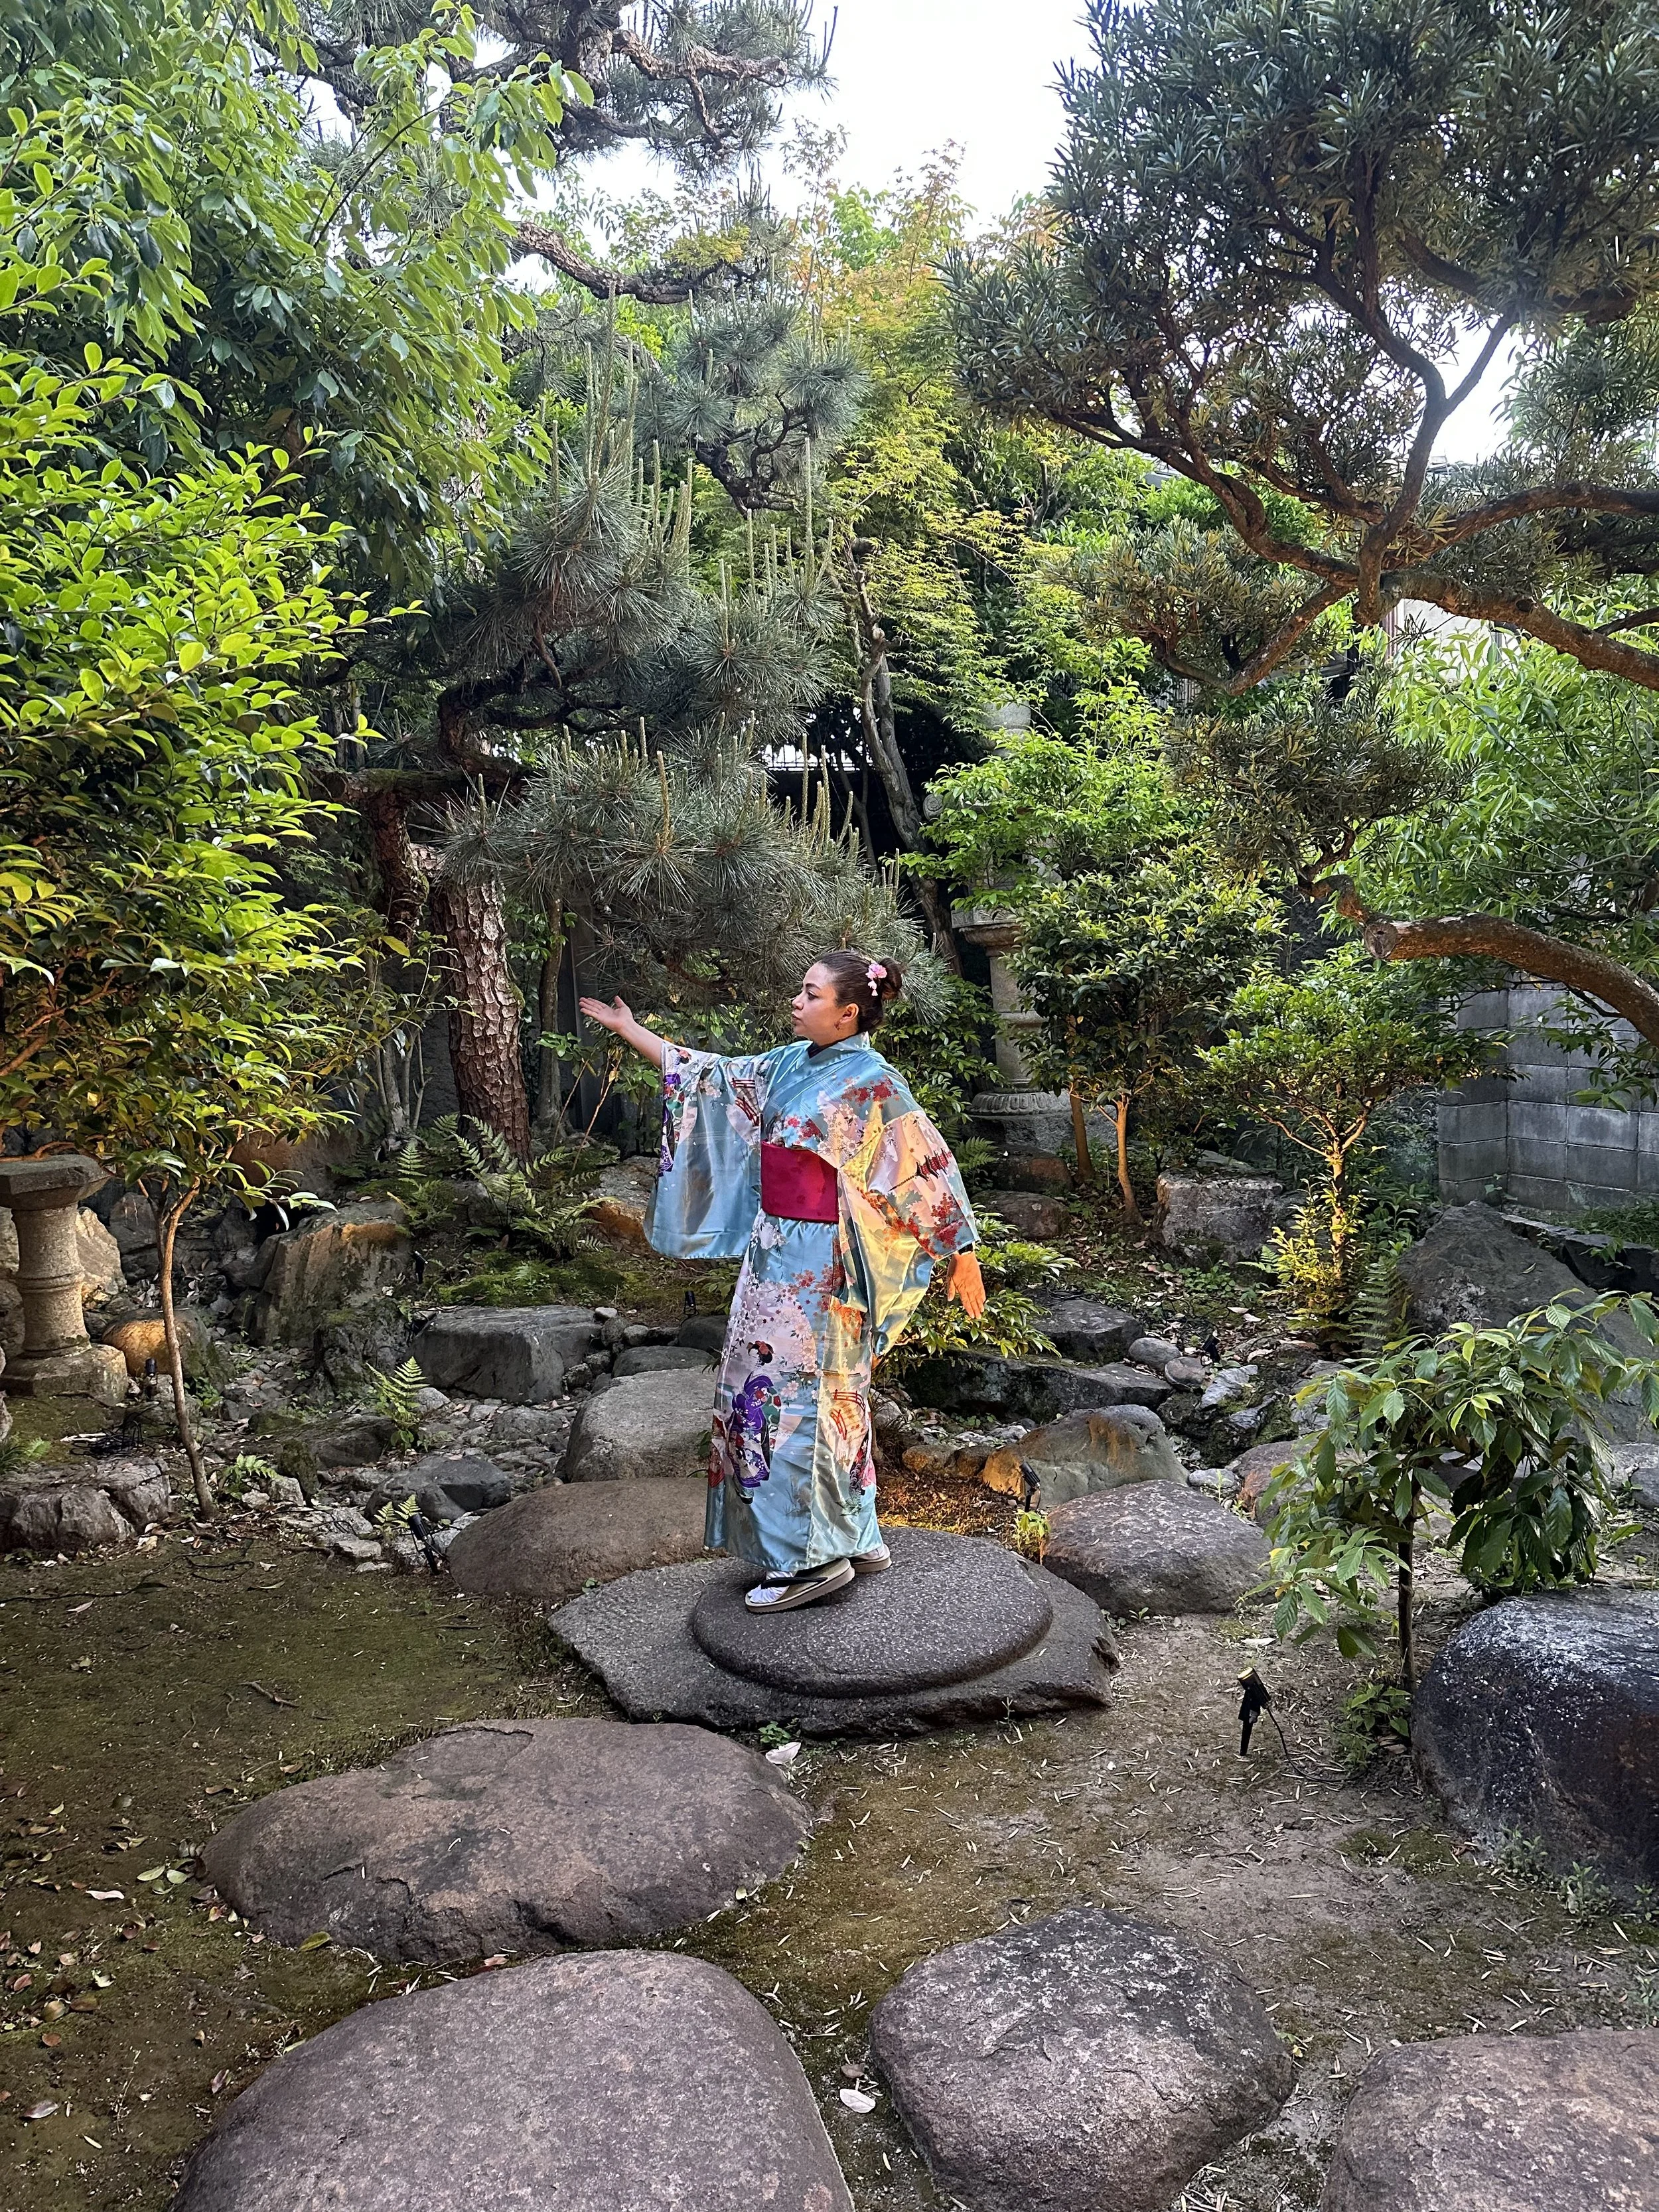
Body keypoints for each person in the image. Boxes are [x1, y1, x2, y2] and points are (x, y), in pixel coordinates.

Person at [579, 952, 985, 1613]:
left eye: (810, 992)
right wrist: (633, 1031)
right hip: (777, 1251)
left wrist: (958, 1250)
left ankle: (810, 1561)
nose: (796, 1001)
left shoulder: (872, 1079)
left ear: (848, 1011)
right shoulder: (791, 1062)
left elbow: (919, 1162)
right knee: (812, 1395)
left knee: (791, 1400)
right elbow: (710, 1077)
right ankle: (852, 1533)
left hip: (823, 1259)